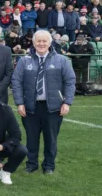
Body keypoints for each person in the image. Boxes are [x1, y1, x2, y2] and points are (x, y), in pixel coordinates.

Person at [12, 30, 75, 174]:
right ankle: (31, 164)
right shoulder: (24, 61)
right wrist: (20, 103)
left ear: (50, 42)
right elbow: (16, 82)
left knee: (51, 139)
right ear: (33, 43)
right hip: (30, 107)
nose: (41, 44)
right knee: (31, 138)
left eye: (44, 41)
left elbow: (70, 82)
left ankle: (49, 166)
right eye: (38, 41)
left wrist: (67, 102)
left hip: (53, 108)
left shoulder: (61, 60)